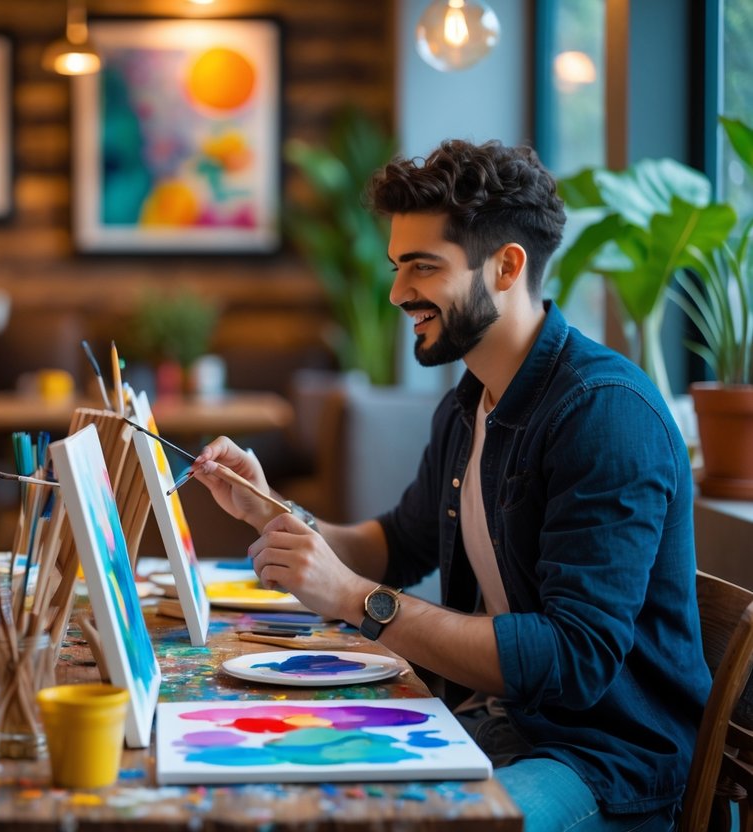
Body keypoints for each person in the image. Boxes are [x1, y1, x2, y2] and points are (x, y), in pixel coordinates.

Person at [190, 139, 707, 832]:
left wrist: (355, 599)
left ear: (506, 267)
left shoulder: (603, 414)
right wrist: (269, 510)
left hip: (602, 762)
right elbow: (396, 545)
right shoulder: (470, 403)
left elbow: (573, 658)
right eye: (397, 266)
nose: (398, 292)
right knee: (275, 779)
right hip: (492, 723)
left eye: (423, 266)